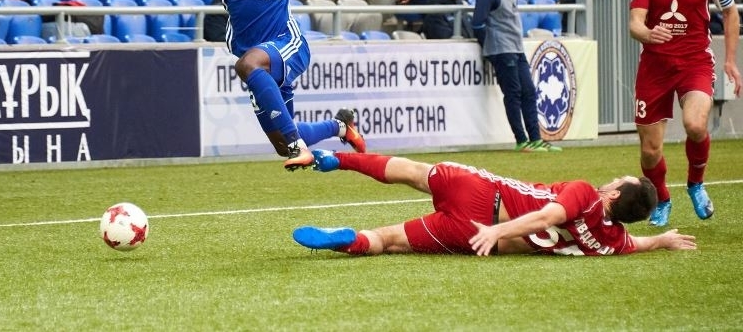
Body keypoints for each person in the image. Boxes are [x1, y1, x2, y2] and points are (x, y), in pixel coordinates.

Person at [120, 0, 412, 169]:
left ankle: (299, 147)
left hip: (286, 43)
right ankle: (340, 126)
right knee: (281, 142)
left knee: (249, 68)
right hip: (254, 55)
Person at [291, 149, 697, 256]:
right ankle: (350, 239)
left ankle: (335, 159)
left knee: (413, 171)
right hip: (477, 238)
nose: (613, 179)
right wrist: (662, 241)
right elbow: (636, 242)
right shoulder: (610, 240)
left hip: (485, 198)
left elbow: (549, 215)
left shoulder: (586, 194)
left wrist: (496, 228)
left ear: (614, 194)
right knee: (389, 240)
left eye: (620, 180)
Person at [629, 0, 741, 227]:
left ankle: (695, 184)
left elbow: (730, 12)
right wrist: (648, 34)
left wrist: (730, 60)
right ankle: (663, 199)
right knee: (650, 149)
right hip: (655, 65)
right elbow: (635, 23)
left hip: (695, 61)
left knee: (695, 124)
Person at [472, 0, 563, 152]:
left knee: (529, 91)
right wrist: (490, 46)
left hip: (516, 47)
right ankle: (521, 141)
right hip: (502, 49)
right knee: (513, 93)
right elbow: (478, 23)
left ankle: (535, 139)